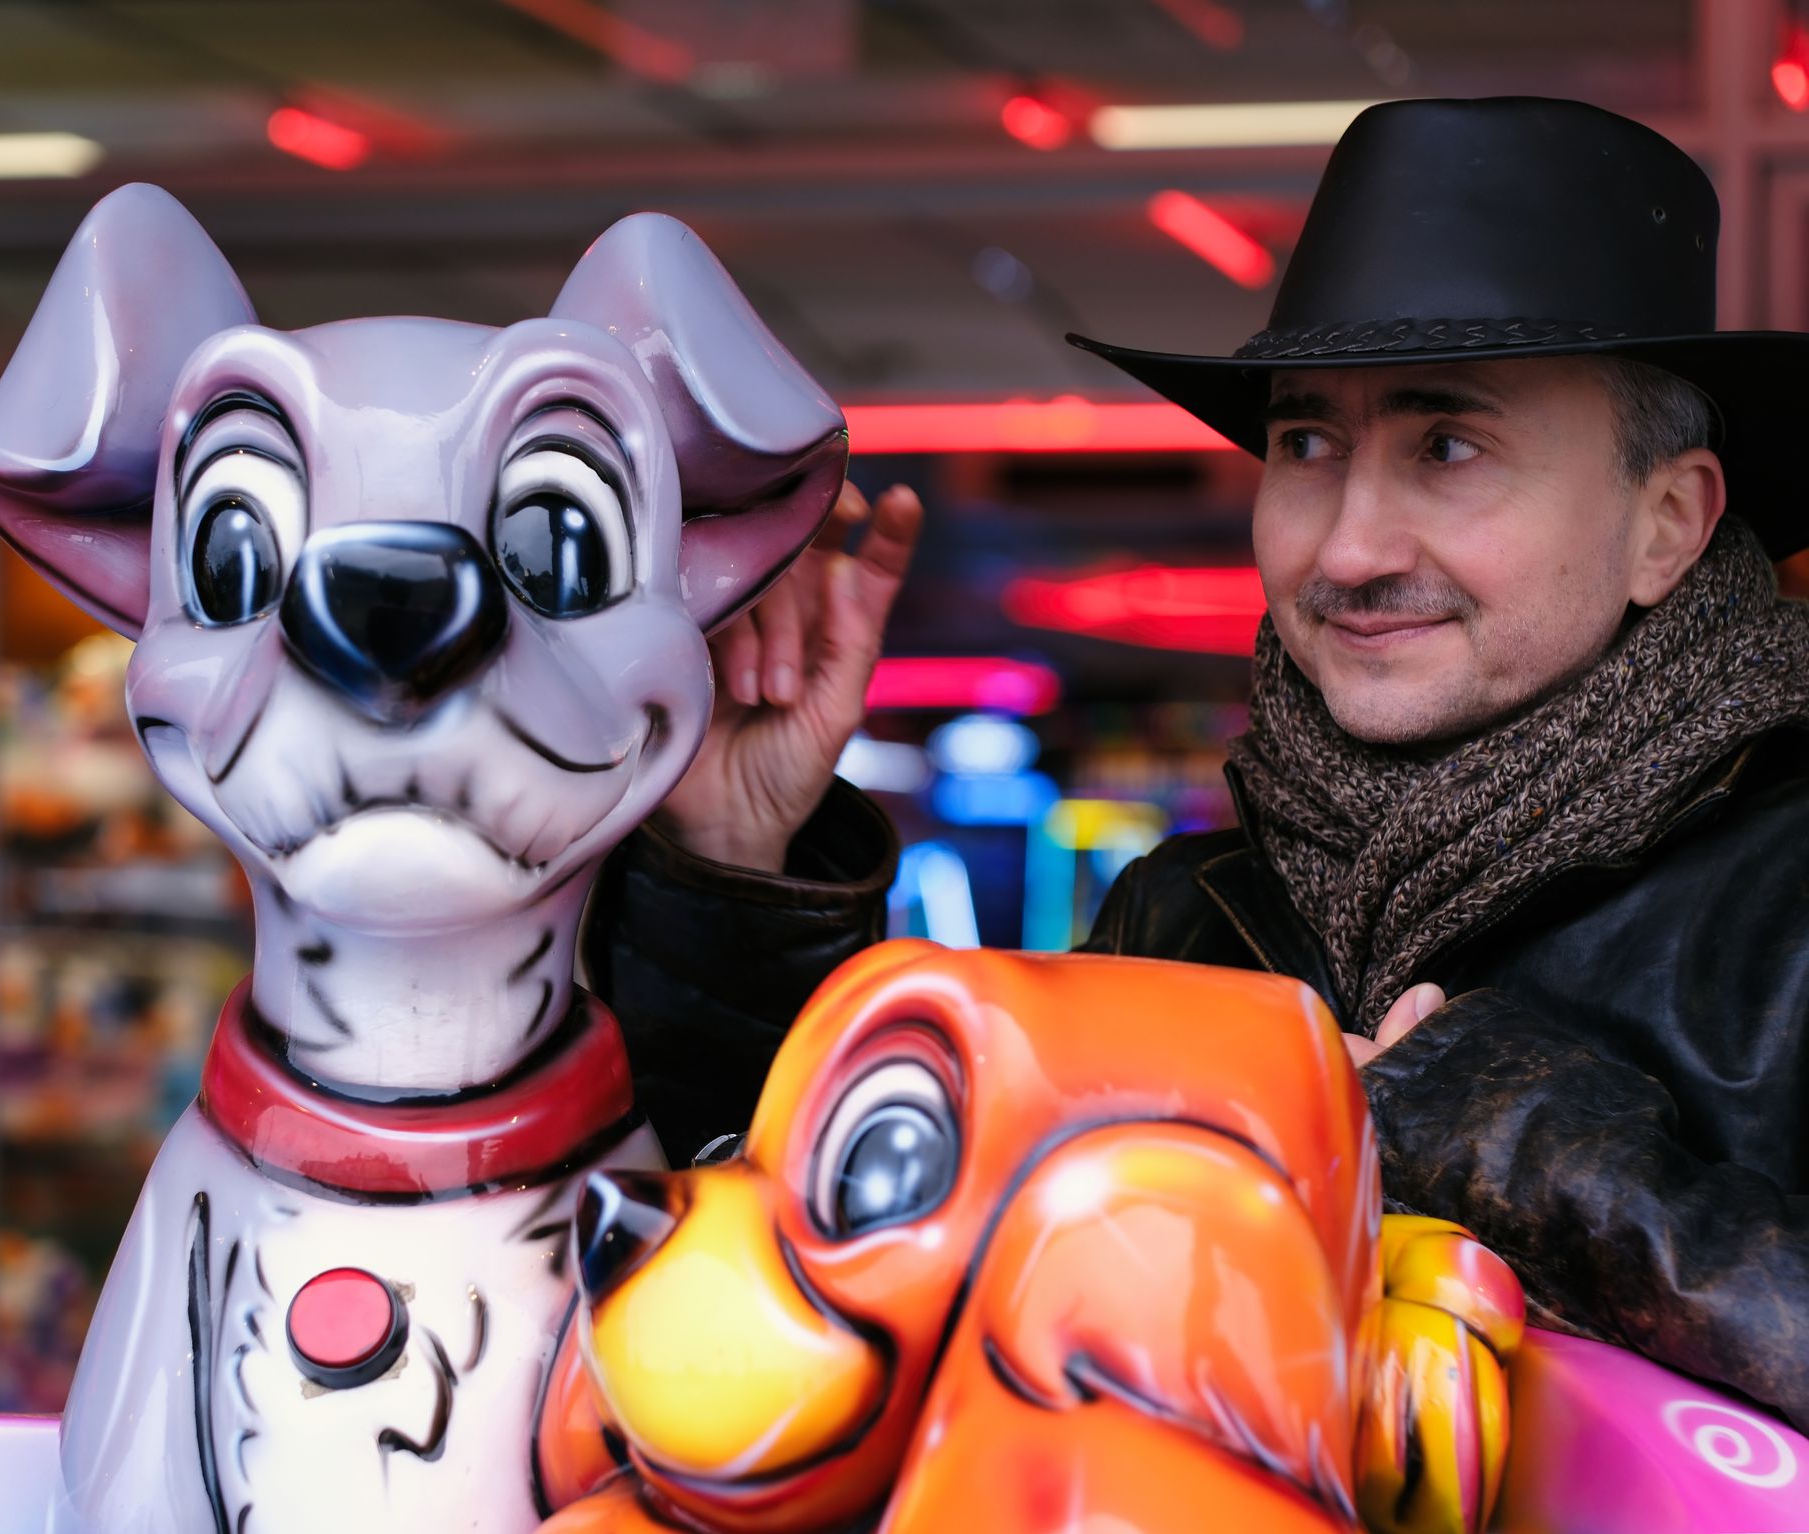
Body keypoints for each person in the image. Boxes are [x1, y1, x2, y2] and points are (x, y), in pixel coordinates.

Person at [583, 97, 1809, 1429]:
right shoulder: (1185, 914)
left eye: (1448, 446)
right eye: (1307, 445)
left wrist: (1517, 1138)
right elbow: (776, 1342)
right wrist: (735, 871)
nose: (1346, 547)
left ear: (1667, 523)